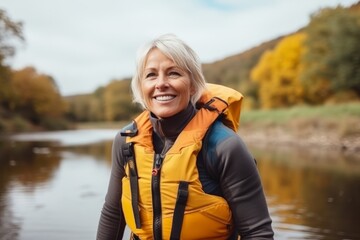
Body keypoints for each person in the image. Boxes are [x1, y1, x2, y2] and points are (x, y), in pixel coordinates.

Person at [97, 34, 274, 240]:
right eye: (151, 75)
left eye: (173, 73)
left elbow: (257, 233)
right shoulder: (125, 142)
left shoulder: (225, 147)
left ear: (192, 85)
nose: (161, 83)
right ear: (141, 87)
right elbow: (113, 214)